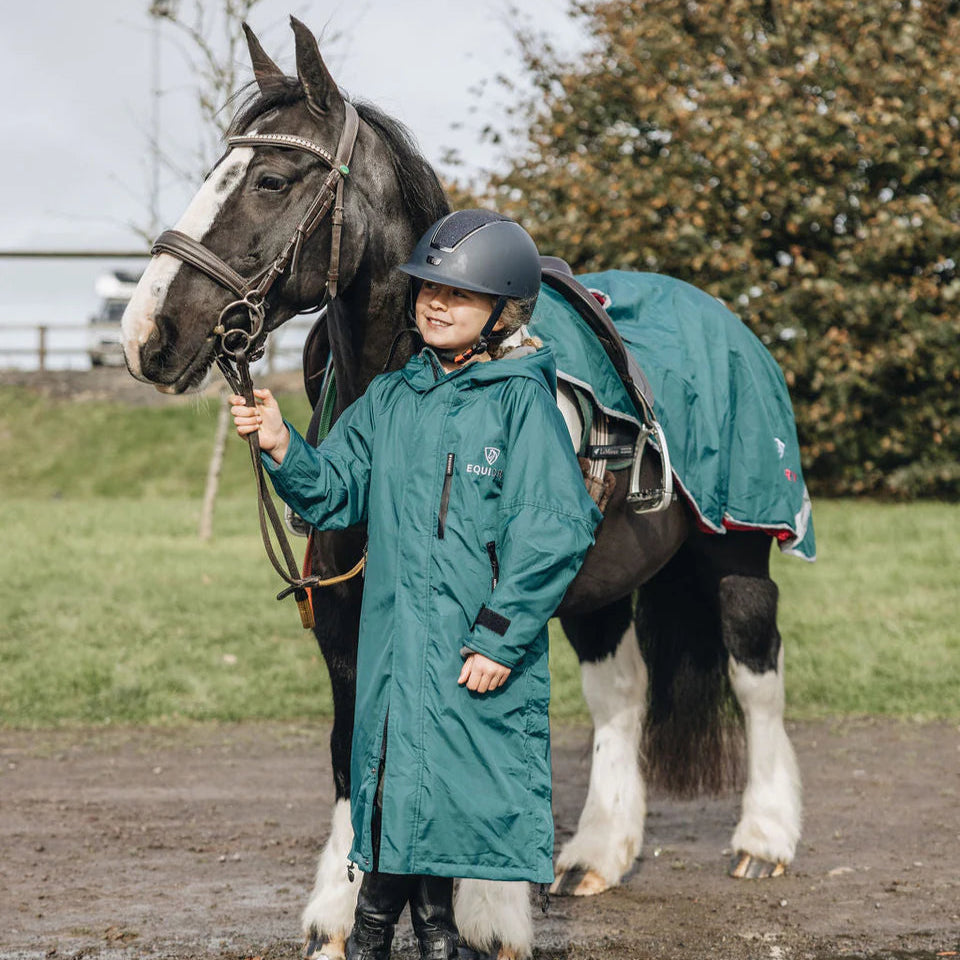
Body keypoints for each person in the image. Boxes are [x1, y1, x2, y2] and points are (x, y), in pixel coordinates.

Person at [231, 210, 602, 960]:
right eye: (429, 288)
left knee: (449, 791)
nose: (436, 303)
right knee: (400, 787)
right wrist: (282, 444)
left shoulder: (520, 403)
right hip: (397, 644)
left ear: (502, 312)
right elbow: (335, 490)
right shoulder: (391, 398)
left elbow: (553, 529)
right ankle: (429, 937)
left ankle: (379, 935)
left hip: (473, 645)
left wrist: (500, 635)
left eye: (458, 295)